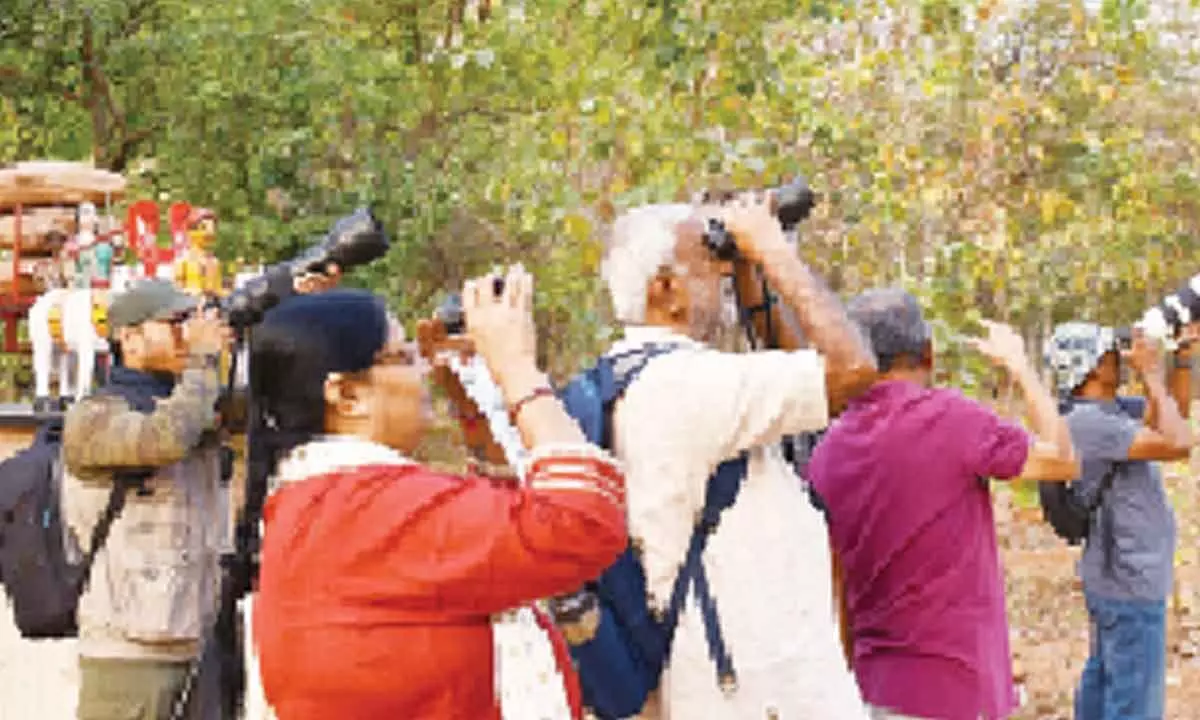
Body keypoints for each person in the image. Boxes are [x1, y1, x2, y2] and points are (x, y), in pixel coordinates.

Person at [249, 267, 629, 719]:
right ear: (347, 395)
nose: (424, 369)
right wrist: (518, 370)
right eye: (404, 356)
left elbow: (502, 533)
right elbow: (581, 521)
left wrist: (471, 402)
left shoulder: (322, 499)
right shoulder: (371, 508)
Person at [592, 193, 877, 718]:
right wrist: (772, 249)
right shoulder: (688, 383)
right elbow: (851, 370)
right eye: (709, 262)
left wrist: (749, 279)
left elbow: (808, 391)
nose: (722, 275)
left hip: (728, 675)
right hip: (754, 687)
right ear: (667, 290)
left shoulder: (631, 377)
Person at [806, 288, 1080, 720]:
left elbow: (835, 587)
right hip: (954, 688)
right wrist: (1020, 366)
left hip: (870, 688)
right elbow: (1063, 461)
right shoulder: (952, 420)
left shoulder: (827, 451)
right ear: (928, 353)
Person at [60, 278, 232, 720]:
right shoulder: (94, 416)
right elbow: (166, 438)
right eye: (174, 322)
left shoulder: (198, 403)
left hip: (201, 641)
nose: (187, 332)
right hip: (127, 654)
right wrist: (203, 358)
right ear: (129, 337)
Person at [1046, 322, 1193, 720]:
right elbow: (1179, 444)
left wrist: (1181, 359)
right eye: (1110, 353)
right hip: (1129, 579)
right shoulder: (1089, 423)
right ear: (1089, 368)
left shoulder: (1106, 412)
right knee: (1134, 704)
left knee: (1108, 681)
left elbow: (1173, 417)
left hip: (1116, 577)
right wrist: (1150, 374)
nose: (1120, 357)